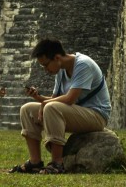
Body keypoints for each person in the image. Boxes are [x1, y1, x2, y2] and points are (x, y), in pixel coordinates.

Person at [9, 38, 111, 175]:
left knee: (51, 107)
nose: (46, 70)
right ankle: (35, 162)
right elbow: (54, 99)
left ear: (57, 57)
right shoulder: (61, 70)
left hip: (97, 115)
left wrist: (45, 104)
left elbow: (69, 99)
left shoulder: (83, 65)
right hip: (76, 112)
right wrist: (38, 97)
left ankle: (57, 163)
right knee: (27, 109)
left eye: (46, 65)